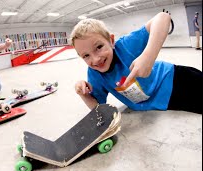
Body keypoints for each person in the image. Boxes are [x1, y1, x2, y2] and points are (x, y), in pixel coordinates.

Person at [70, 12, 202, 114]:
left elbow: (163, 17)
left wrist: (148, 57)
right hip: (162, 102)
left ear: (111, 41)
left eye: (99, 47)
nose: (95, 59)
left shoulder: (125, 46)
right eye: (86, 55)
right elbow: (98, 109)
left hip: (174, 79)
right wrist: (84, 95)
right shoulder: (95, 74)